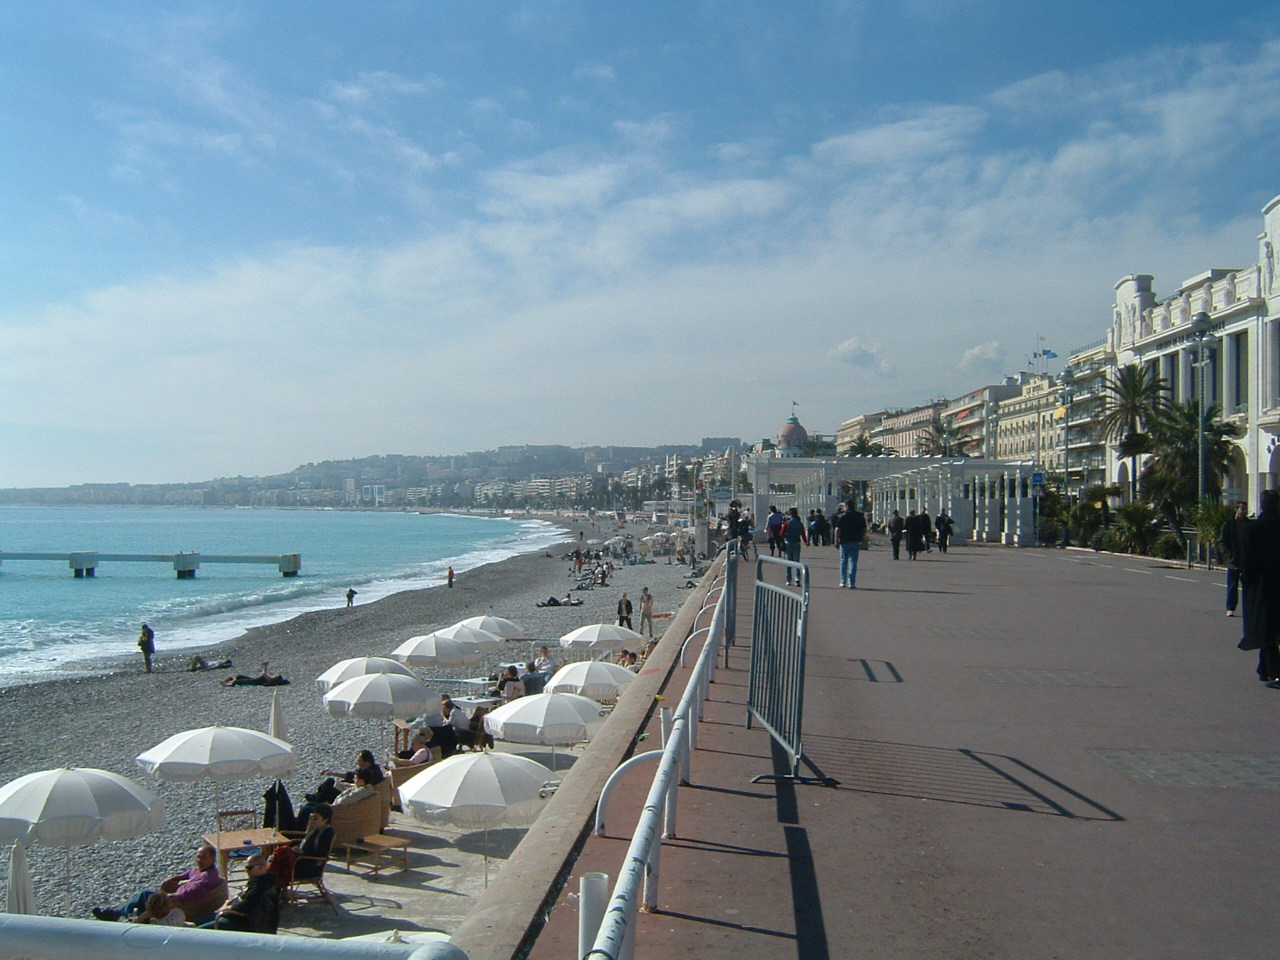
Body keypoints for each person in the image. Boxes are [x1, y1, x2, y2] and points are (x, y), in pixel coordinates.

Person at [94, 843, 222, 924]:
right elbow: (189, 874)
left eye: (204, 857)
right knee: (144, 897)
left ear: (212, 859)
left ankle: (118, 914)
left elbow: (188, 894)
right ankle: (121, 914)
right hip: (174, 898)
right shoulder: (201, 870)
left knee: (146, 895)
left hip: (179, 904)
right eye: (198, 857)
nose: (199, 860)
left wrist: (168, 895)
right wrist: (174, 879)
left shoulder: (207, 878)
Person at [1239, 489, 1280, 685]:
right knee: (1271, 627)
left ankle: (1274, 671)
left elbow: (1246, 559)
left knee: (1265, 628)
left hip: (1261, 586)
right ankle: (1264, 669)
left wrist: (1247, 580)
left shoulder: (1253, 529)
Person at [200, 852, 278, 933]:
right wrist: (227, 903)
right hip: (244, 917)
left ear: (261, 868)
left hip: (249, 924)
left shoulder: (261, 885)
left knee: (201, 930)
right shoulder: (263, 880)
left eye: (249, 868)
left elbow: (245, 905)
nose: (246, 871)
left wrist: (226, 908)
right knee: (201, 920)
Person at [290, 805, 335, 883]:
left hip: (310, 866)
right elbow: (306, 843)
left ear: (325, 820)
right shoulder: (316, 830)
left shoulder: (327, 833)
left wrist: (302, 852)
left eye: (316, 818)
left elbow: (320, 853)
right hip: (302, 860)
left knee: (281, 861)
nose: (312, 820)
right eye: (312, 817)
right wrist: (297, 848)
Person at [1221, 500, 1249, 616]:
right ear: (1236, 509)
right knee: (1232, 585)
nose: (1244, 511)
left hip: (1247, 560)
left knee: (1248, 586)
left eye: (1245, 509)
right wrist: (1229, 555)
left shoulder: (1250, 524)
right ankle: (1230, 608)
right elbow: (1222, 542)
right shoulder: (1229, 525)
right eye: (1242, 509)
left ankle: (1248, 608)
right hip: (1233, 560)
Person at [833, 499, 868, 589]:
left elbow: (837, 529)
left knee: (843, 561)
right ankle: (852, 583)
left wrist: (836, 540)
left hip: (844, 541)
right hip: (856, 540)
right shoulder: (860, 516)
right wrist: (863, 536)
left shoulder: (842, 516)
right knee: (853, 562)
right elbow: (864, 528)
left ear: (846, 506)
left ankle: (843, 581)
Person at [781, 507, 808, 585]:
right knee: (797, 562)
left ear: (790, 514)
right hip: (797, 543)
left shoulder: (787, 523)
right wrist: (805, 542)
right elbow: (803, 534)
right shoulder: (800, 523)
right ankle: (797, 578)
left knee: (788, 562)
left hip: (788, 542)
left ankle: (788, 580)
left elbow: (781, 533)